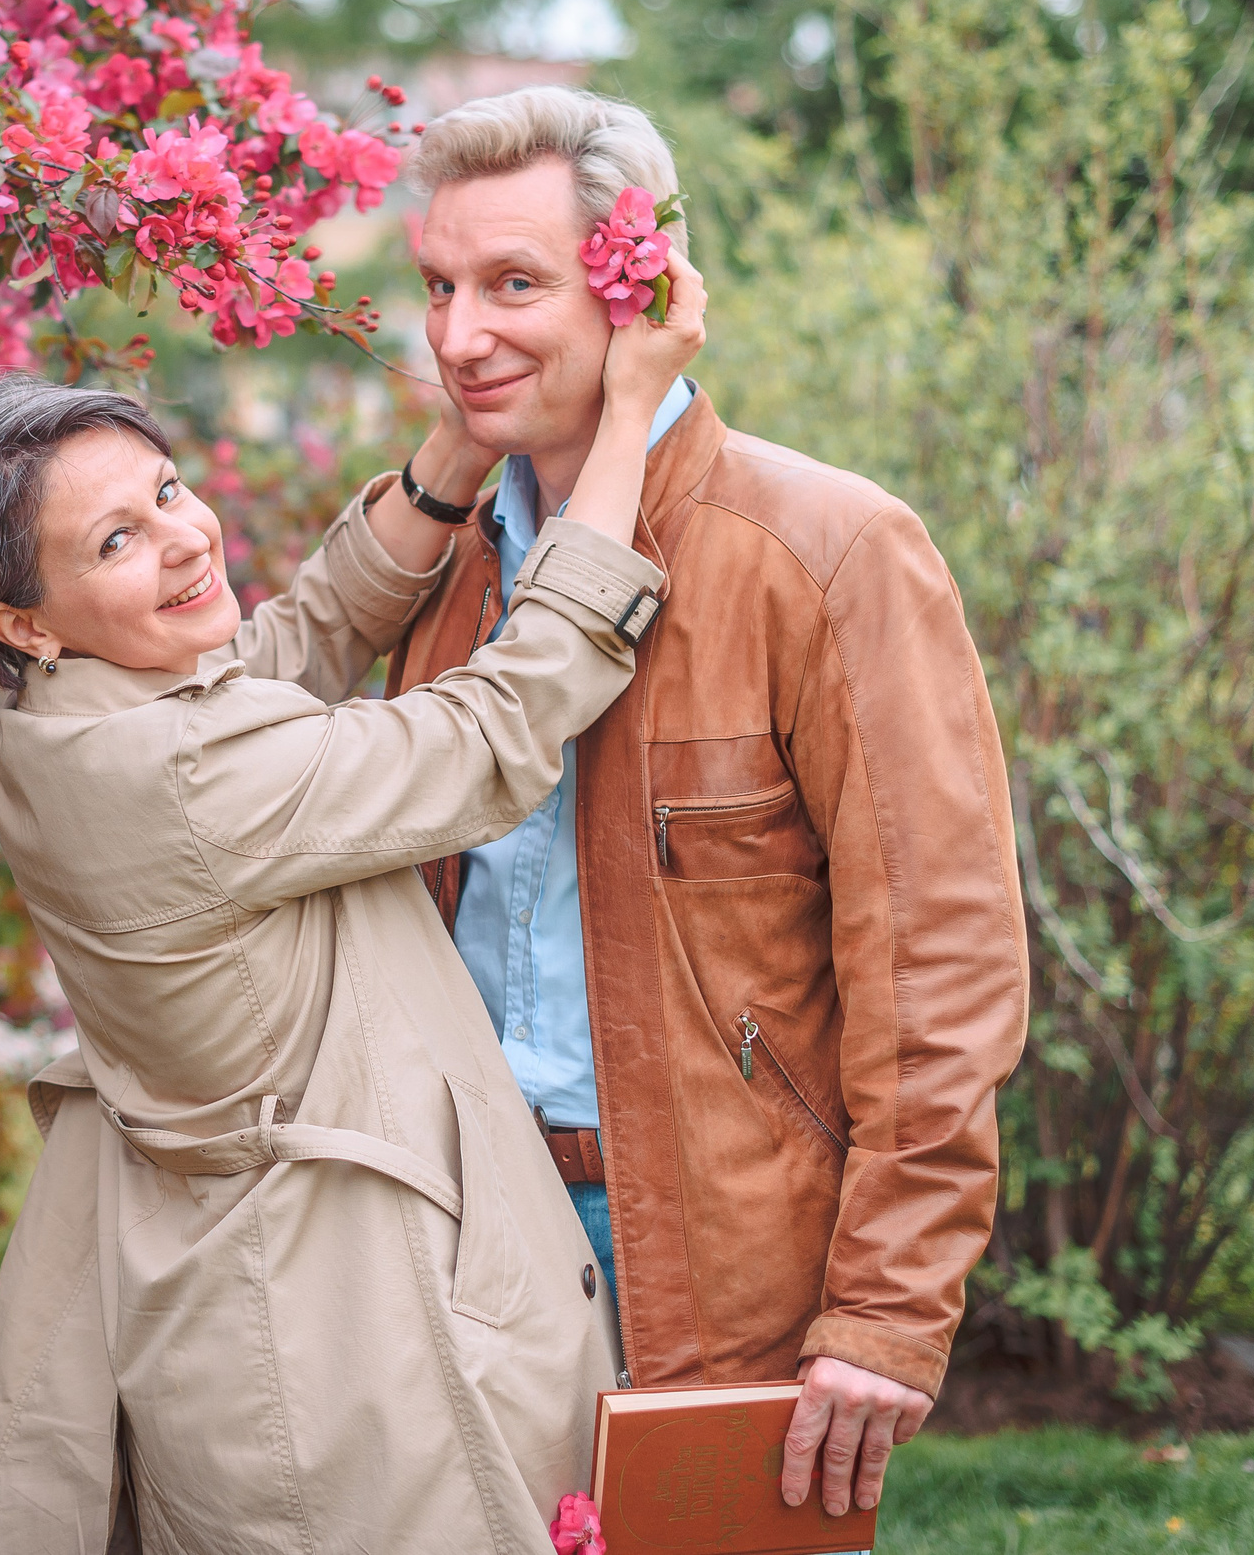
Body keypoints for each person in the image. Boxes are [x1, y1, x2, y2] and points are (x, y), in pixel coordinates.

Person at [0, 254, 707, 1553]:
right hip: (335, 1336)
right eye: (115, 541)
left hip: (248, 1301)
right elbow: (491, 731)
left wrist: (457, 445)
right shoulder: (175, 774)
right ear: (22, 623)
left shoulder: (57, 726)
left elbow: (289, 648)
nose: (182, 538)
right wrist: (630, 418)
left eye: (165, 490)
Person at [388, 85, 1030, 1523]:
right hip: (452, 1232)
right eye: (438, 285)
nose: (458, 336)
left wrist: (888, 1308)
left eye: (512, 285)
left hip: (723, 1258)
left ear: (637, 287)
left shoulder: (828, 548)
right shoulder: (439, 563)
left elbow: (940, 964)